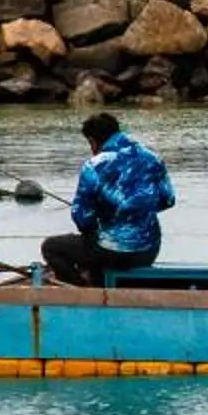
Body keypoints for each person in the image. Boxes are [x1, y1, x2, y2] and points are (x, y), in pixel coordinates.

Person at [42, 112, 176, 288]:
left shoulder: (94, 166)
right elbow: (168, 200)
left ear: (92, 141)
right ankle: (100, 281)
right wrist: (136, 212)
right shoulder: (152, 158)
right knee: (97, 247)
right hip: (148, 251)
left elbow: (81, 217)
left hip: (110, 253)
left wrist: (99, 223)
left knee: (51, 247)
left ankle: (80, 289)